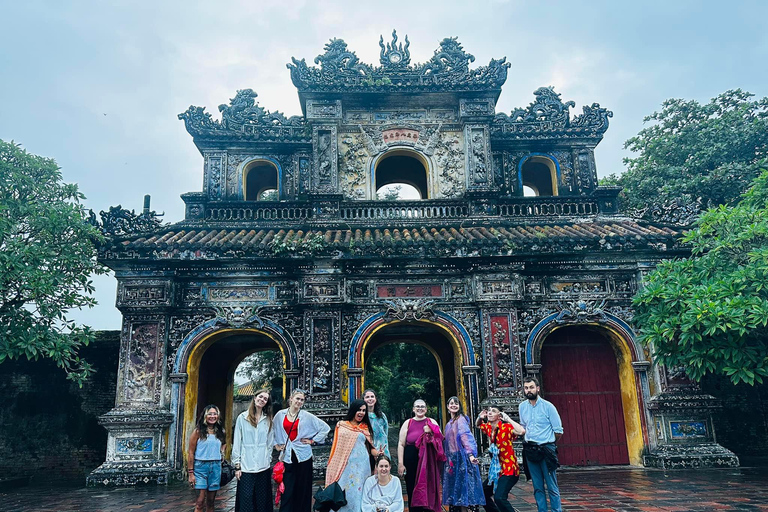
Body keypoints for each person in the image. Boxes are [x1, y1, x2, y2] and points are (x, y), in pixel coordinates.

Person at [273, 389, 331, 512]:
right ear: (291, 399)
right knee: (287, 489)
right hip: (287, 456)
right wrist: (276, 445)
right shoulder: (280, 415)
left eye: (302, 400)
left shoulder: (306, 416)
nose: (299, 401)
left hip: (303, 456)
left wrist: (312, 440)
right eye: (297, 398)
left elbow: (324, 428)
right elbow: (271, 431)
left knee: (303, 488)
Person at [325, 399, 380, 511]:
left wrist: (378, 453)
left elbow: (371, 449)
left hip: (362, 466)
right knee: (345, 490)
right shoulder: (341, 425)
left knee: (359, 490)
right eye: (359, 410)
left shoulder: (365, 428)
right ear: (353, 410)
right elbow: (336, 447)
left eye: (364, 410)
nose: (361, 413)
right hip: (345, 465)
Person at [518, 376, 563, 512]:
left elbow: (558, 431)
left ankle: (556, 510)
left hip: (546, 449)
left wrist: (549, 444)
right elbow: (523, 427)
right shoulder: (522, 407)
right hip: (531, 449)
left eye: (531, 387)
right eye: (526, 388)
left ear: (537, 388)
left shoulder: (548, 407)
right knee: (537, 486)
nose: (529, 390)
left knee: (551, 486)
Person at [397, 399, 445, 512]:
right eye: (417, 406)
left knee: (429, 488)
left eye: (422, 406)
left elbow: (440, 440)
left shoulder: (431, 421)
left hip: (428, 461)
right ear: (413, 409)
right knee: (412, 488)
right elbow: (401, 444)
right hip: (411, 461)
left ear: (426, 409)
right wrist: (400, 463)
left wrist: (430, 433)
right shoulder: (408, 423)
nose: (420, 409)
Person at [232, 388, 275, 512]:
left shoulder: (267, 419)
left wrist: (268, 458)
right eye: (260, 397)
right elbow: (237, 442)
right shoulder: (242, 418)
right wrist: (237, 465)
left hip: (263, 466)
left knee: (262, 501)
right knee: (246, 498)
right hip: (246, 466)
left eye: (265, 399)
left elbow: (269, 442)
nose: (262, 400)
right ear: (255, 397)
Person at [476, 404, 525, 512]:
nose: (489, 412)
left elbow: (521, 431)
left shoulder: (506, 427)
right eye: (489, 411)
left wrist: (508, 419)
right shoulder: (489, 428)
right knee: (482, 494)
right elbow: (478, 425)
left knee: (500, 498)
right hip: (496, 471)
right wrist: (480, 417)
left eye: (493, 411)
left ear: (499, 416)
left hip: (509, 470)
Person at [442, 396, 485, 512]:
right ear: (447, 407)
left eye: (456, 403)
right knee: (456, 492)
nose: (453, 405)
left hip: (462, 459)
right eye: (451, 403)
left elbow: (466, 437)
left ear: (459, 406)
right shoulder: (450, 423)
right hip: (453, 460)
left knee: (464, 491)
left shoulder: (460, 420)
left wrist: (470, 455)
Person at [188, 404, 227, 512]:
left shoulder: (221, 431)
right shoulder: (198, 432)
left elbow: (224, 443)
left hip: (215, 467)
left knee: (211, 501)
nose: (212, 416)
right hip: (200, 466)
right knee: (200, 501)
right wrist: (191, 473)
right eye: (210, 414)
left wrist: (222, 453)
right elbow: (191, 452)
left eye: (215, 414)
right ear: (205, 416)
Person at [363, 388, 391, 457]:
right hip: (366, 449)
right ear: (363, 399)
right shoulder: (361, 415)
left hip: (382, 448)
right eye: (367, 397)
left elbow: (385, 432)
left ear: (375, 399)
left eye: (372, 396)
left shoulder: (382, 416)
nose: (370, 399)